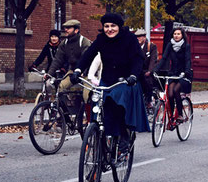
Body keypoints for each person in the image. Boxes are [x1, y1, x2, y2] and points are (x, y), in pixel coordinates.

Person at [72, 13, 149, 152]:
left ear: (119, 26)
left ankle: (124, 134)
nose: (109, 29)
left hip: (126, 80)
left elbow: (138, 59)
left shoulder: (130, 38)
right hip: (107, 79)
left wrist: (133, 75)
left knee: (117, 100)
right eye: (106, 26)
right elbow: (88, 54)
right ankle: (98, 132)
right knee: (96, 102)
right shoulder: (101, 39)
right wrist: (78, 70)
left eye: (113, 26)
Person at [46, 19, 92, 105]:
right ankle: (65, 115)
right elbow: (57, 60)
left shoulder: (84, 42)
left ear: (76, 30)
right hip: (73, 71)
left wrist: (81, 71)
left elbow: (86, 59)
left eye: (68, 28)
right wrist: (49, 74)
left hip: (86, 72)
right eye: (65, 28)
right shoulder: (64, 43)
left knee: (86, 95)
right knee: (61, 88)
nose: (65, 30)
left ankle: (88, 116)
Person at [154, 28, 192, 124]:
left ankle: (180, 114)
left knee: (176, 91)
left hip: (184, 74)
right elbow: (164, 58)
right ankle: (171, 116)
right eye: (175, 34)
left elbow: (188, 60)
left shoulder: (186, 46)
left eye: (178, 34)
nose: (176, 35)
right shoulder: (170, 45)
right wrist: (156, 70)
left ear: (182, 35)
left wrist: (186, 71)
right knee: (169, 94)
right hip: (173, 73)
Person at [135, 29, 158, 108]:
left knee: (147, 81)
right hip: (138, 71)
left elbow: (153, 60)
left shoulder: (151, 46)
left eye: (140, 37)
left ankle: (149, 101)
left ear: (144, 37)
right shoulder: (134, 47)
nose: (138, 38)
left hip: (147, 71)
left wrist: (149, 71)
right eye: (136, 37)